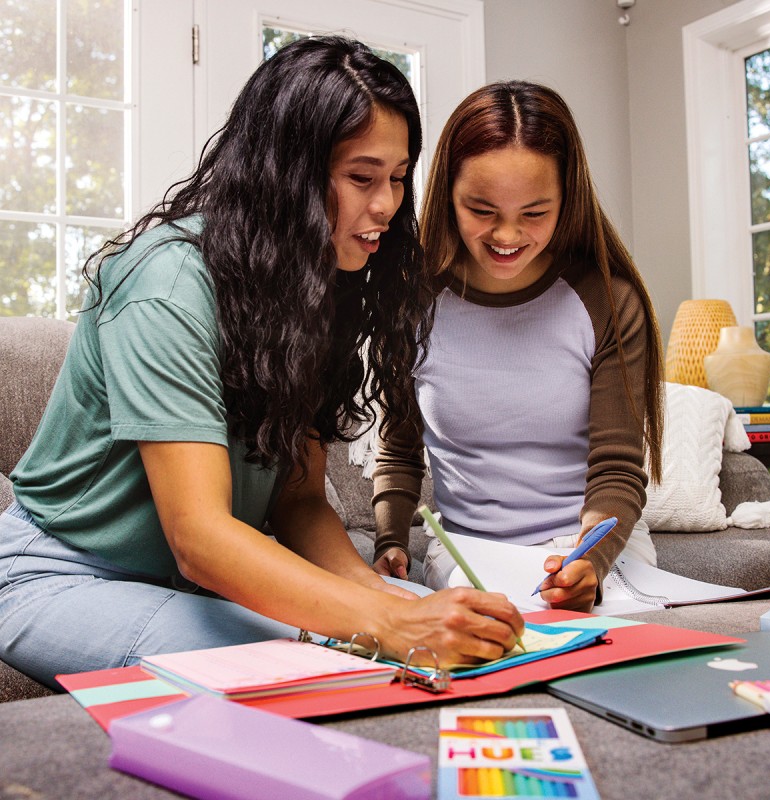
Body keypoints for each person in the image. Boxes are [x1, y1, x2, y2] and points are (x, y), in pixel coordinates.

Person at [0, 37, 523, 688]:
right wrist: (385, 626)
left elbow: (299, 497)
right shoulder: (168, 281)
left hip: (183, 584)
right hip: (57, 576)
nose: (387, 206)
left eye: (396, 177)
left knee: (426, 636)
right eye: (362, 178)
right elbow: (199, 535)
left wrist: (381, 596)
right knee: (327, 666)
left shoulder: (312, 286)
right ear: (290, 174)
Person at [371, 81, 664, 612]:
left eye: (534, 213)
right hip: (471, 556)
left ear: (567, 199)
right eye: (481, 209)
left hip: (595, 550)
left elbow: (617, 469)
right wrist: (390, 541)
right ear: (447, 195)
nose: (507, 235)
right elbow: (398, 451)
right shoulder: (411, 302)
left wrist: (587, 563)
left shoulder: (607, 302)